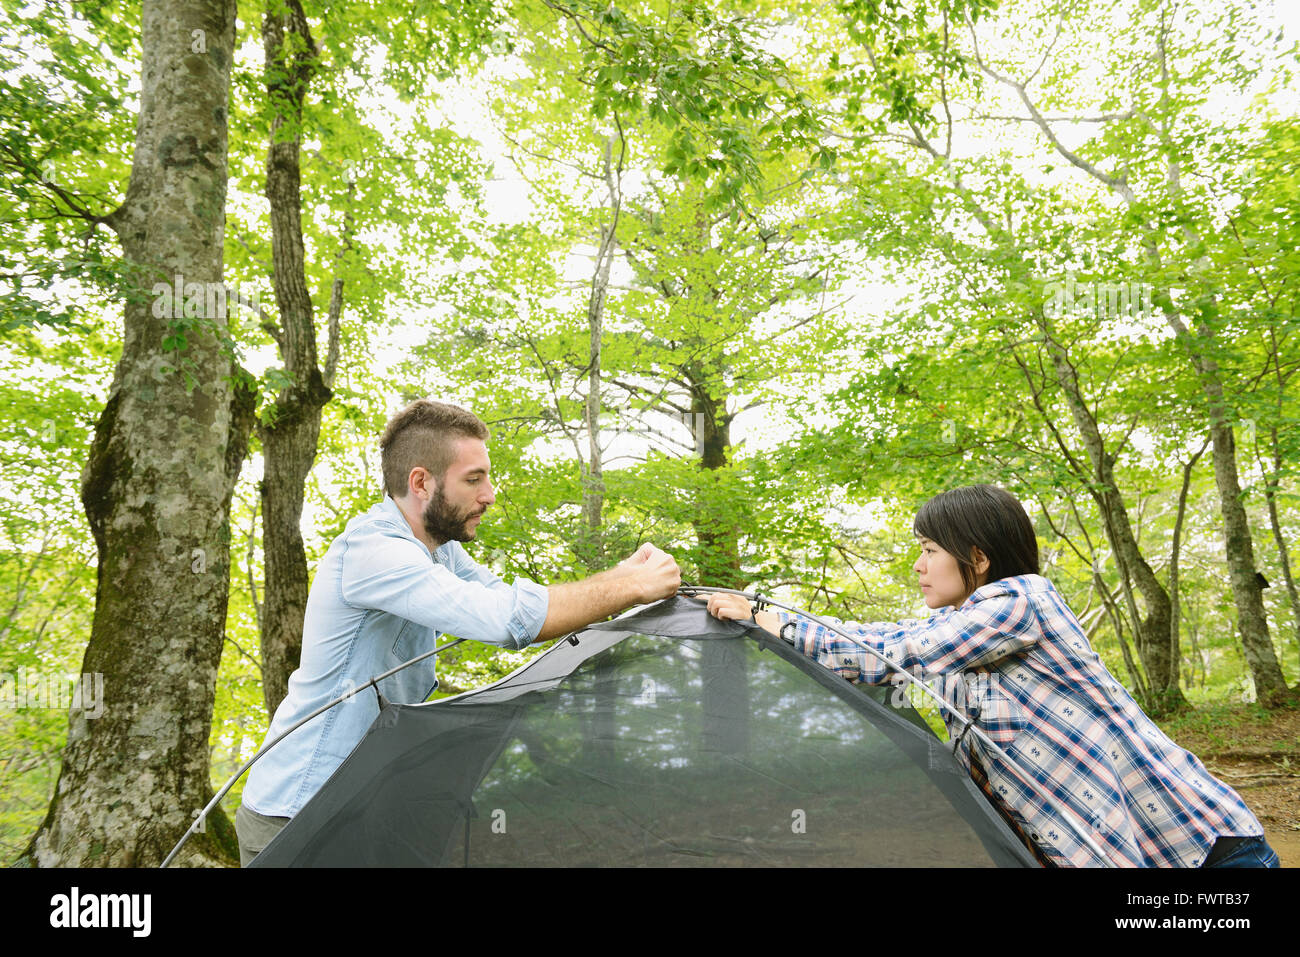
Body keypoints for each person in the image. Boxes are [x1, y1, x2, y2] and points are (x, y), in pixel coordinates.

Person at [707, 484, 1279, 869]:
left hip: (1206, 854)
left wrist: (765, 614)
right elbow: (881, 657)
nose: (918, 565)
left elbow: (894, 653)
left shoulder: (1022, 600)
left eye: (930, 549)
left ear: (977, 559)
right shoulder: (965, 638)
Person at [236, 399, 681, 865]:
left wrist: (621, 574)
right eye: (474, 479)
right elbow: (507, 621)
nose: (490, 494)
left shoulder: (436, 550)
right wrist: (633, 588)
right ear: (421, 482)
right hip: (298, 812)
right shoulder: (374, 552)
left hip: (357, 804)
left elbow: (505, 597)